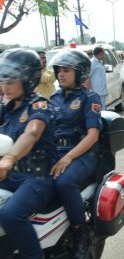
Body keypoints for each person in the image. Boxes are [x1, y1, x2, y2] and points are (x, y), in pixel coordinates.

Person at [0, 49, 58, 258]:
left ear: (28, 79)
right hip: (11, 173)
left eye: (11, 79)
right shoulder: (6, 108)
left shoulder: (40, 104)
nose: (5, 85)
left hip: (38, 174)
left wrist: (9, 158)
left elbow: (32, 133)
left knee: (10, 214)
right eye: (3, 78)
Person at [48, 49, 103, 258]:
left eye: (66, 70)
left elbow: (92, 136)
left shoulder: (90, 98)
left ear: (79, 73)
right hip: (57, 150)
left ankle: (80, 231)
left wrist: (68, 157)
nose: (61, 74)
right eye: (59, 70)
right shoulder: (54, 98)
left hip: (82, 152)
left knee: (63, 182)